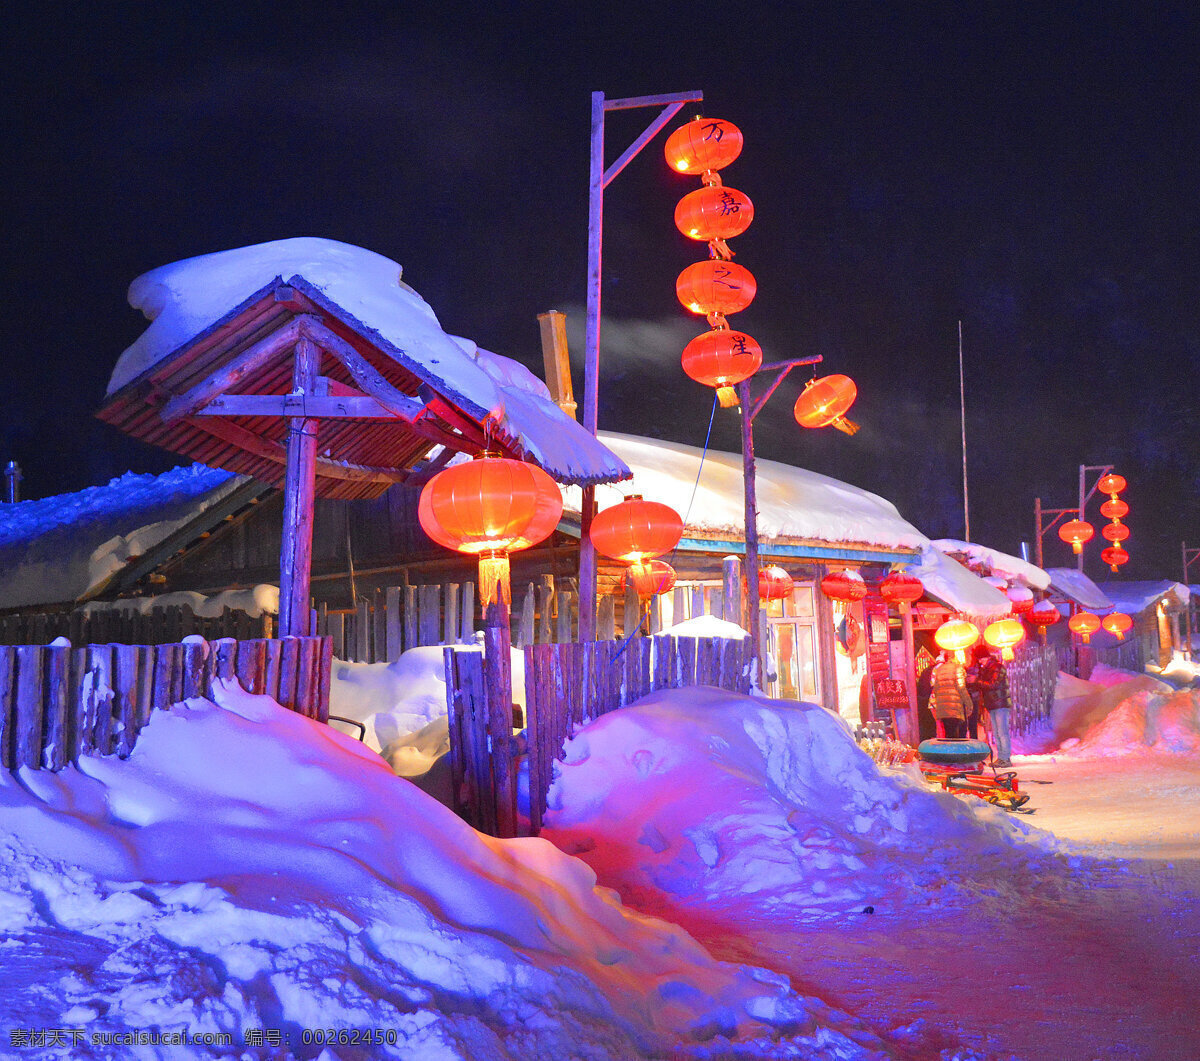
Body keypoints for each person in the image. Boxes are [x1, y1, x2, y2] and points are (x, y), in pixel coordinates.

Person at [976, 646, 1014, 766]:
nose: (979, 661)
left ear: (986, 657)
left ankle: (1006, 758)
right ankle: (1001, 757)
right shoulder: (987, 669)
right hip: (992, 704)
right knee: (997, 732)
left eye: (981, 659)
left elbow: (993, 684)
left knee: (1002, 731)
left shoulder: (997, 667)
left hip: (1000, 703)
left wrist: (977, 681)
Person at [928, 650, 974, 739]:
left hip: (942, 708)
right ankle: (957, 752)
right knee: (958, 736)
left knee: (948, 734)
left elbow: (935, 687)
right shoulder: (958, 669)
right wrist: (969, 704)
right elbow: (962, 689)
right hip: (955, 707)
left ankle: (948, 751)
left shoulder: (939, 669)